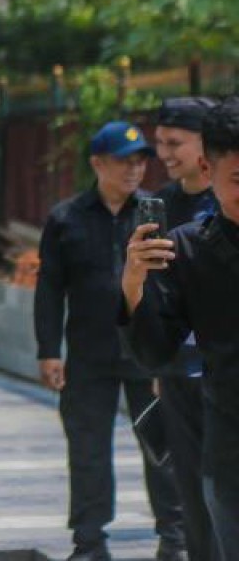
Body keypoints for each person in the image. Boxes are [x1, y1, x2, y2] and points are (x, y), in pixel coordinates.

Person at [34, 122, 186, 561]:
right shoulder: (66, 218)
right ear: (97, 163)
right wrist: (48, 351)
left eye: (141, 161)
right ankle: (89, 541)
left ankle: (173, 539)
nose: (135, 170)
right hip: (88, 353)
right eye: (125, 161)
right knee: (87, 451)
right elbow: (49, 289)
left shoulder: (160, 213)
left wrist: (174, 354)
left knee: (162, 447)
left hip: (149, 351)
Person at [121, 97, 239, 558]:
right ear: (207, 169)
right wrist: (132, 283)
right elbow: (152, 351)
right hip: (232, 450)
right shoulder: (188, 249)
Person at [146, 97, 219, 561]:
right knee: (190, 489)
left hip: (224, 366)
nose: (165, 154)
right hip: (179, 370)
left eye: (175, 143)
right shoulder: (161, 204)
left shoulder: (228, 201)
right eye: (160, 144)